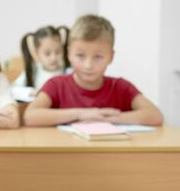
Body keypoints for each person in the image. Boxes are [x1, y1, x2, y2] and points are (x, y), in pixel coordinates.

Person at [23, 14, 163, 127]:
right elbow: (30, 116)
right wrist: (81, 114)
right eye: (80, 56)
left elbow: (155, 115)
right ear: (69, 54)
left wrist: (111, 118)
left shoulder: (121, 87)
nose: (88, 65)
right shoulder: (56, 85)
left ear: (111, 57)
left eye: (98, 57)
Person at [13, 25, 70, 90]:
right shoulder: (33, 72)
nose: (53, 58)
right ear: (36, 53)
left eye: (58, 52)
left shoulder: (68, 72)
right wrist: (31, 92)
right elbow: (13, 89)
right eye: (47, 54)